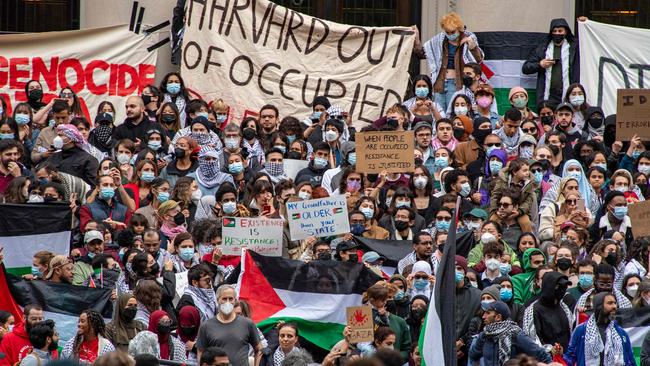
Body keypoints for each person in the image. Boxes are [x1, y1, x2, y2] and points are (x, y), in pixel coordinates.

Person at [413, 12, 484, 111]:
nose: (450, 34)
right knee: (438, 112)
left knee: (453, 112)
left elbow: (478, 60)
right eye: (447, 32)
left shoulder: (468, 38)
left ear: (459, 29)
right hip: (439, 83)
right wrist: (416, 39)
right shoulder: (439, 39)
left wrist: (473, 47)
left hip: (456, 83)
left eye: (452, 32)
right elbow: (422, 53)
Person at [195, 285, 261, 366]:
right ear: (217, 300)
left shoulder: (247, 323)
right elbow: (201, 352)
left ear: (235, 300)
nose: (227, 302)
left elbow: (259, 349)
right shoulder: (206, 326)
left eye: (230, 299)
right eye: (224, 299)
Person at [563, 292, 635, 366]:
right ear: (599, 306)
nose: (614, 306)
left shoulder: (621, 333)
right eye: (610, 303)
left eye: (615, 303)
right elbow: (570, 358)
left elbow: (630, 361)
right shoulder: (581, 330)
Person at [468, 301, 551, 366]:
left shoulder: (515, 334)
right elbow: (473, 355)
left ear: (498, 317)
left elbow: (542, 355)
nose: (483, 316)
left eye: (488, 313)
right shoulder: (485, 335)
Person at [522, 18, 579, 106]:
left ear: (566, 32)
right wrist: (540, 64)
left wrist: (584, 24)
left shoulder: (575, 48)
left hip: (569, 93)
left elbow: (589, 42)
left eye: (560, 31)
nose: (557, 33)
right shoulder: (543, 48)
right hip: (548, 95)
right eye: (554, 31)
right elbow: (525, 68)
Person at [522, 272, 573, 354]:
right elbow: (531, 339)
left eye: (564, 287)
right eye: (558, 287)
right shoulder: (533, 310)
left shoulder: (564, 307)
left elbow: (570, 333)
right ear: (549, 287)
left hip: (566, 359)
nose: (562, 290)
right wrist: (549, 349)